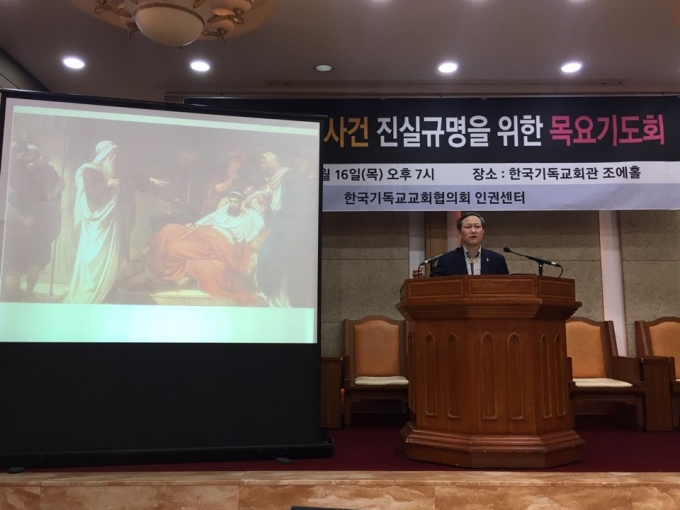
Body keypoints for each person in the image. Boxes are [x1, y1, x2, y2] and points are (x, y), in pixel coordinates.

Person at [64, 140, 168, 304]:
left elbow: (131, 179)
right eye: (111, 153)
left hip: (112, 225)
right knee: (96, 258)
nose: (114, 157)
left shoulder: (116, 172)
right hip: (97, 226)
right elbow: (91, 194)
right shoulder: (89, 170)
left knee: (112, 258)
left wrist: (150, 181)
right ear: (102, 155)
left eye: (115, 153)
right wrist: (107, 184)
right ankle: (92, 292)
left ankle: (108, 293)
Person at [145, 191, 265, 304]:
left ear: (241, 202)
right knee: (170, 228)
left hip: (218, 244)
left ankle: (157, 271)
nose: (232, 204)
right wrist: (195, 225)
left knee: (175, 249)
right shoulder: (225, 209)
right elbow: (210, 218)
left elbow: (261, 224)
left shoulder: (247, 216)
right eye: (231, 201)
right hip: (205, 233)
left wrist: (245, 208)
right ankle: (147, 252)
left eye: (236, 202)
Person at [2, 142, 64, 301]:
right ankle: (12, 296)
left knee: (34, 260)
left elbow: (49, 198)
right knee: (13, 264)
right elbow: (8, 200)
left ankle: (26, 293)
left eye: (33, 154)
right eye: (27, 154)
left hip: (36, 225)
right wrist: (22, 219)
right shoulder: (13, 172)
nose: (31, 157)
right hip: (17, 225)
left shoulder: (45, 172)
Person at [412, 212, 509, 278]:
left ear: (483, 231)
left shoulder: (497, 260)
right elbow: (435, 286)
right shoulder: (447, 260)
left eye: (477, 226)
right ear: (459, 233)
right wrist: (421, 280)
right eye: (468, 227)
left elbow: (506, 287)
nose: (473, 231)